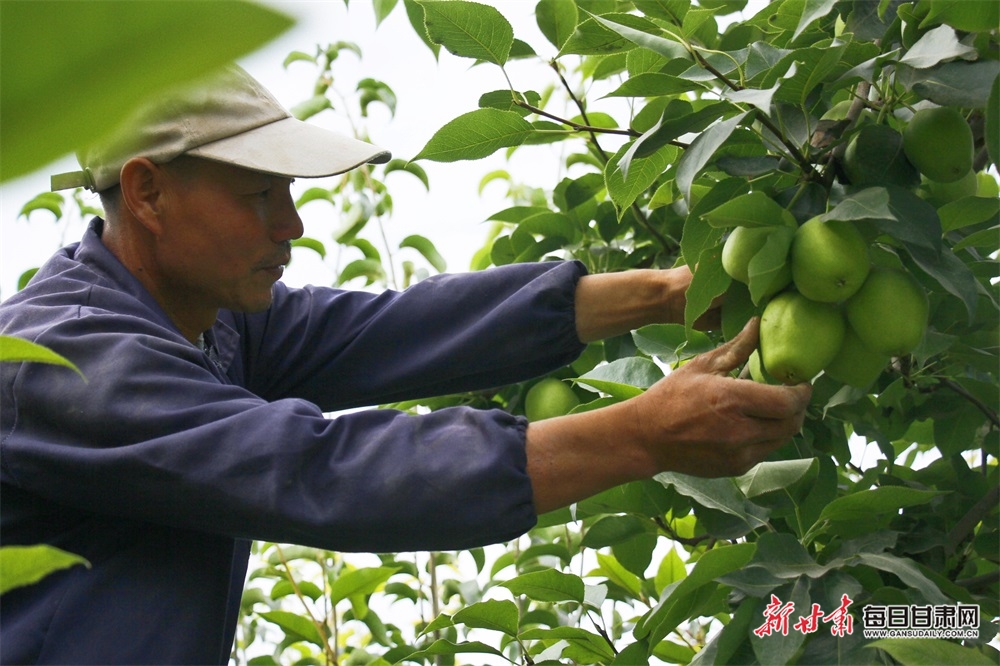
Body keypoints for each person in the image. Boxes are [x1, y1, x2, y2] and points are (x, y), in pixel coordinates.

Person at [0, 65, 811, 664]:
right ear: (146, 194)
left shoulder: (208, 322)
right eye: (259, 196)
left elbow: (395, 328)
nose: (294, 225)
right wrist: (640, 436)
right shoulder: (62, 357)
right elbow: (316, 472)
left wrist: (668, 293)